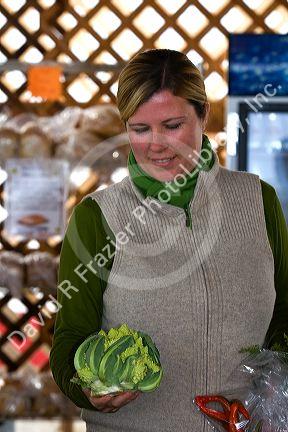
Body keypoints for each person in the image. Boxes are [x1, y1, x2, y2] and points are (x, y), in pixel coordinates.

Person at [50, 49, 288, 432]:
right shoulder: (98, 217)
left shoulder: (258, 201)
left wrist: (276, 390)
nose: (156, 145)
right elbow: (68, 343)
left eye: (173, 125)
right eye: (140, 129)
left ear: (203, 115)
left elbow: (285, 313)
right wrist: (87, 389)